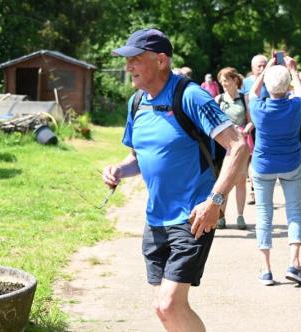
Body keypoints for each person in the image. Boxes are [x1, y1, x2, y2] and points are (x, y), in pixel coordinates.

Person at [102, 28, 248, 331]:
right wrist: (119, 170)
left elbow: (238, 148)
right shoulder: (136, 103)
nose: (128, 66)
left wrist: (215, 201)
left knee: (169, 304)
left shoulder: (190, 95)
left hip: (193, 215)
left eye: (136, 59)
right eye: (127, 60)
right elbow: (139, 159)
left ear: (161, 61)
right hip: (156, 220)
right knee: (163, 310)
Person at [249, 55, 301, 286]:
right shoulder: (296, 107)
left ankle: (266, 270)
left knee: (264, 215)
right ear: (286, 86)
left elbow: (252, 93)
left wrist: (264, 71)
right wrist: (293, 70)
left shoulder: (258, 108)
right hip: (291, 164)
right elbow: (299, 92)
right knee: (294, 212)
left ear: (267, 84)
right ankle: (294, 263)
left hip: (263, 165)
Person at [215, 67, 254, 230]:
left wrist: (246, 129)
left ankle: (240, 216)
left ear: (234, 81)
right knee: (222, 181)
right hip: (222, 146)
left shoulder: (244, 98)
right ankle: (220, 216)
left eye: (226, 79)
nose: (223, 83)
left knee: (240, 181)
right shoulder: (218, 99)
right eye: (222, 80)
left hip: (240, 144)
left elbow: (251, 121)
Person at [241, 54, 270, 205]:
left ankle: (256, 189)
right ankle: (251, 188)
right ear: (252, 68)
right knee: (248, 158)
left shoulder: (272, 82)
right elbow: (242, 105)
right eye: (259, 65)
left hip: (266, 127)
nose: (262, 68)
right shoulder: (245, 83)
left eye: (264, 65)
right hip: (248, 126)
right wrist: (247, 122)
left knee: (260, 157)